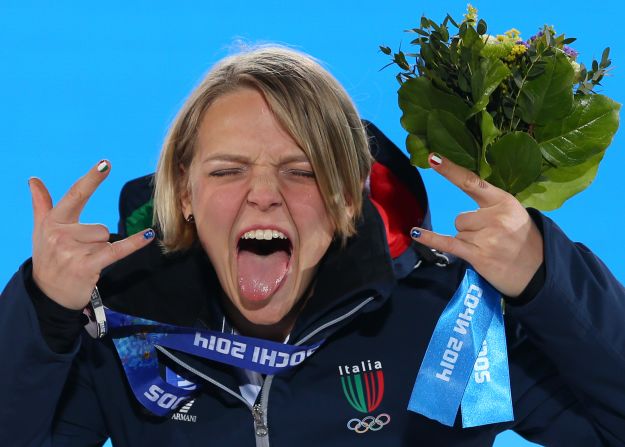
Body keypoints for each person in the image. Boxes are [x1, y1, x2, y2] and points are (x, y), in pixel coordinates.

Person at [1, 46, 624, 446]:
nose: (263, 195)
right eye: (226, 171)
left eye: (302, 171)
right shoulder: (123, 328)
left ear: (350, 197)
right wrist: (43, 315)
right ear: (183, 194)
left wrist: (548, 279)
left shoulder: (445, 322)